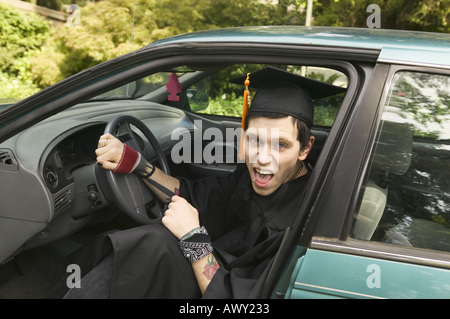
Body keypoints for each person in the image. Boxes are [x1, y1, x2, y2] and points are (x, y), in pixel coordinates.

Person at [63, 66, 345, 299]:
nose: (261, 158)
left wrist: (194, 239)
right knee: (148, 241)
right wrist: (139, 165)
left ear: (305, 149)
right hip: (217, 266)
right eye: (254, 139)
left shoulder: (308, 215)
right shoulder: (250, 177)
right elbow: (194, 196)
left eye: (281, 145)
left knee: (152, 243)